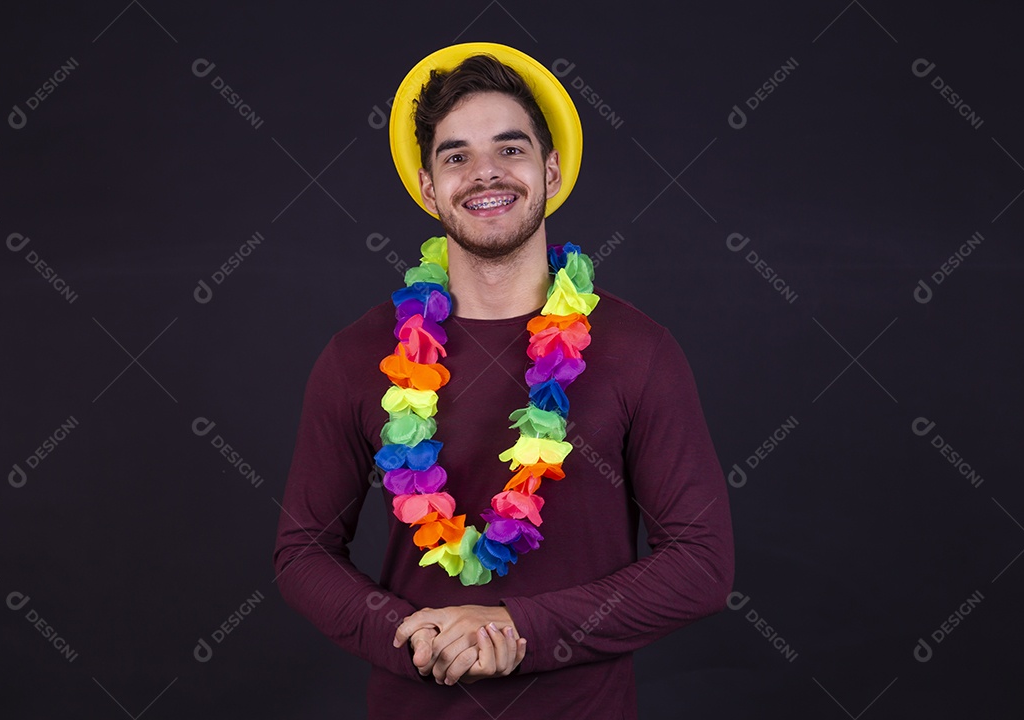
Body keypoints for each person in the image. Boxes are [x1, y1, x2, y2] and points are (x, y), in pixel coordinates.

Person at [273, 42, 735, 719]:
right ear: (430, 187)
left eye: (510, 150)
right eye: (456, 155)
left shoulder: (640, 351)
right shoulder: (357, 357)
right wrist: (408, 634)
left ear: (550, 170)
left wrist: (520, 629)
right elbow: (302, 551)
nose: (484, 173)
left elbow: (701, 564)